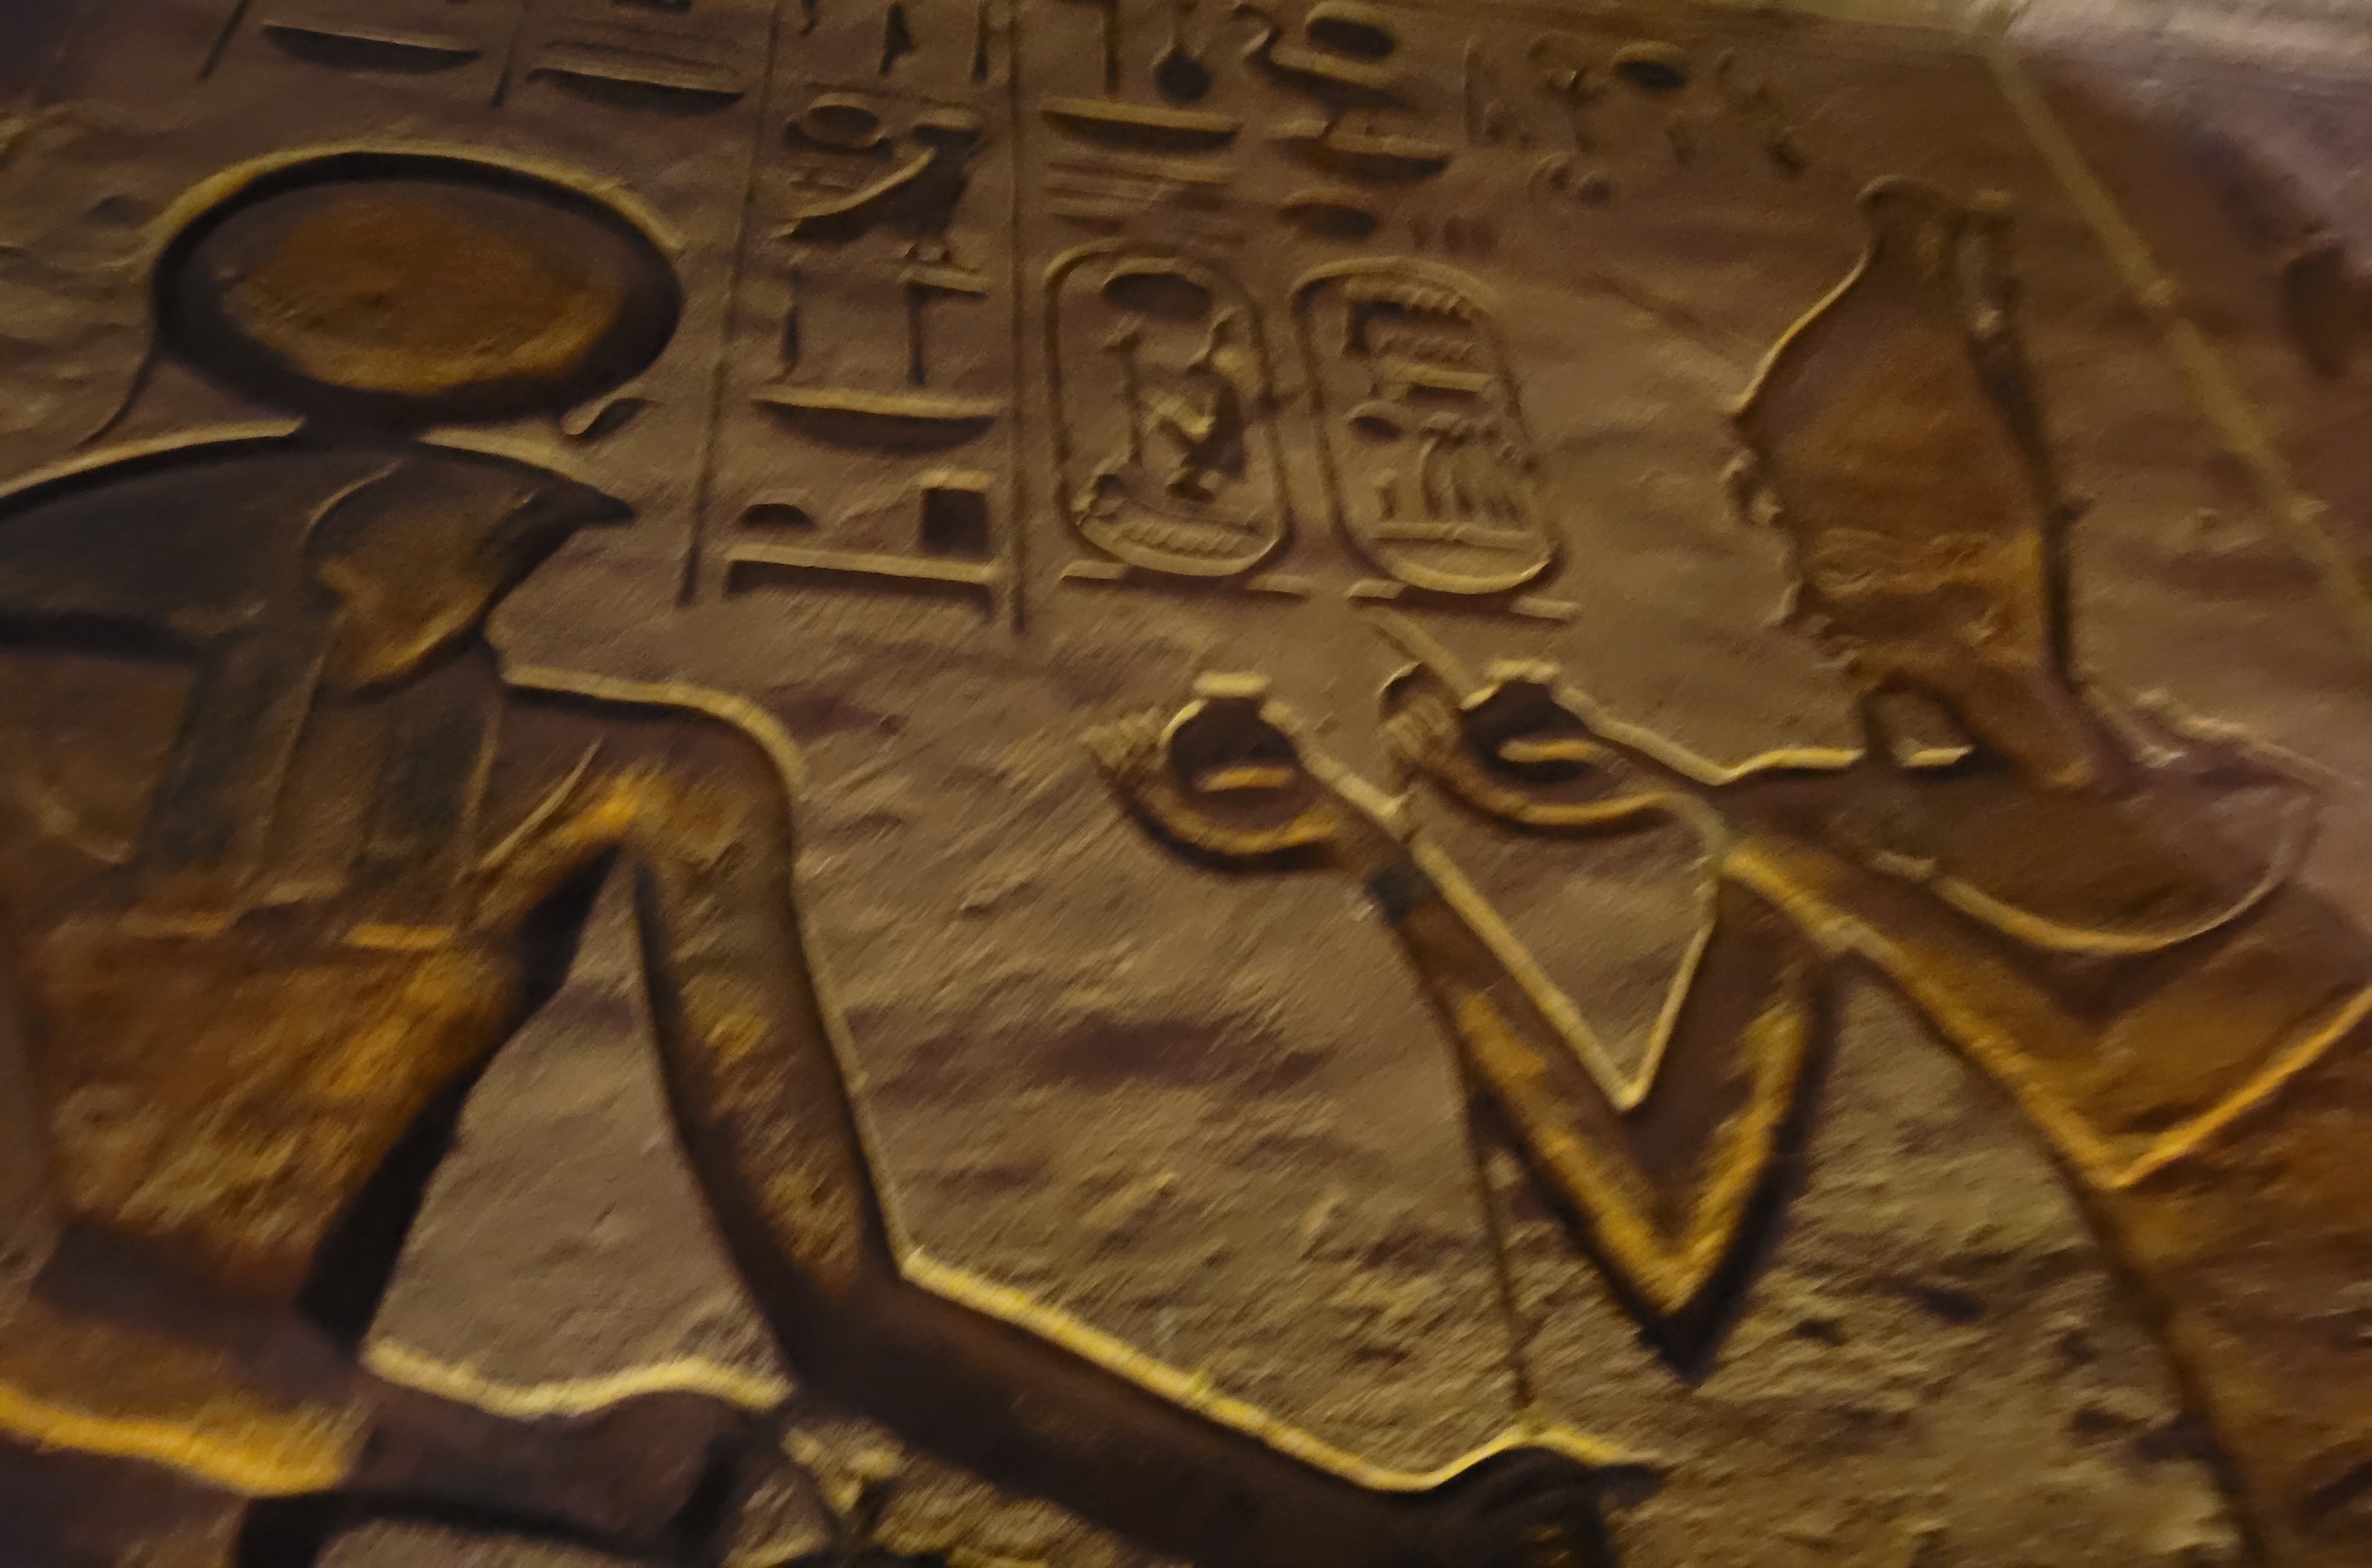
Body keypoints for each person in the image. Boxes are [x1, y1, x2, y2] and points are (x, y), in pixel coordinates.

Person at [0, 148, 1636, 1568]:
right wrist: (533, 1466)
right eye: (469, 516)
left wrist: (1353, 1536)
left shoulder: (641, 777)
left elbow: (856, 1308)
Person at [1089, 179, 2372, 1568]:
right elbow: (1661, 1226)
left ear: (1986, 547)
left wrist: (1737, 829)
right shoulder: (1821, 829)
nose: (1806, 607)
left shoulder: (2275, 800)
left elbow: (2132, 1070)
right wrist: (1384, 859)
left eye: (1846, 556)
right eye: (1808, 555)